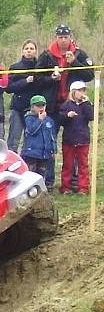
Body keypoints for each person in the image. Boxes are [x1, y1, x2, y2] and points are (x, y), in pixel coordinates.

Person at [34, 24, 94, 190]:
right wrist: (51, 79)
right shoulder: (47, 55)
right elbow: (37, 79)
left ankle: (74, 182)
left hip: (73, 106)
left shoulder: (79, 54)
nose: (63, 40)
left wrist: (74, 62)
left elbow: (90, 75)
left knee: (75, 143)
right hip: (53, 107)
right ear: (56, 37)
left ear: (70, 37)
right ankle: (49, 180)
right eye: (60, 37)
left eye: (66, 37)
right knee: (50, 143)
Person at [58, 81, 93, 194]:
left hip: (83, 139)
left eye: (83, 90)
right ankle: (66, 187)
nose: (82, 93)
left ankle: (83, 187)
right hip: (69, 139)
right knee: (68, 164)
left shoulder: (86, 105)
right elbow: (61, 120)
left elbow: (90, 116)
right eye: (79, 90)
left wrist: (86, 103)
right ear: (73, 92)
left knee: (83, 165)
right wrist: (67, 116)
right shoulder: (66, 105)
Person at [5, 40, 40, 152]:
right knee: (13, 140)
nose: (29, 51)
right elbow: (9, 88)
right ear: (23, 51)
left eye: (31, 48)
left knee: (31, 139)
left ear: (35, 51)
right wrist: (25, 81)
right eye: (27, 48)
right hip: (18, 108)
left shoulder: (40, 67)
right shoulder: (15, 67)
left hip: (34, 109)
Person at [21, 95, 56, 182]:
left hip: (44, 153)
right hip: (31, 153)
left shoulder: (49, 120)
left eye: (43, 105)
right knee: (30, 175)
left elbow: (52, 136)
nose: (41, 108)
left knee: (41, 175)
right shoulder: (28, 118)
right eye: (38, 106)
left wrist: (53, 150)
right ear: (32, 107)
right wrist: (40, 120)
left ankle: (41, 190)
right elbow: (31, 130)